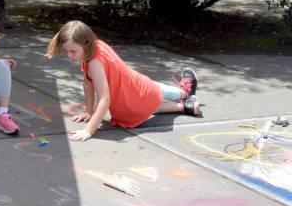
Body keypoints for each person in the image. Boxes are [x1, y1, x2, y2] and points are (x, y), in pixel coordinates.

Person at [46, 20, 201, 142]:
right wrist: (89, 111)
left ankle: (186, 102)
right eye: (66, 51)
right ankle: (185, 100)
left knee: (150, 101)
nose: (69, 55)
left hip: (131, 94)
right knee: (152, 98)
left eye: (73, 51)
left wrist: (88, 130)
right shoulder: (96, 45)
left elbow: (104, 99)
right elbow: (88, 83)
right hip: (134, 88)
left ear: (86, 44)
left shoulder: (94, 63)